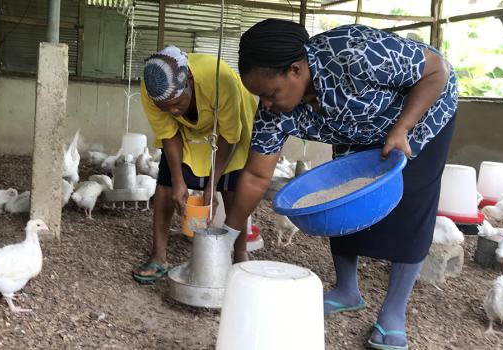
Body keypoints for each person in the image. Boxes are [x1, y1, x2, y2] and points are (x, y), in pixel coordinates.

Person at [223, 19, 458, 350]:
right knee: (340, 198)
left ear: (295, 69)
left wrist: (403, 126)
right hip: (359, 131)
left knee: (411, 204)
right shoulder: (273, 114)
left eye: (269, 93)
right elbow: (255, 176)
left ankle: (393, 313)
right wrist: (228, 237)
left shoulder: (354, 54)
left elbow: (436, 72)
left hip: (421, 117)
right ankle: (347, 290)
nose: (265, 104)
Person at [132, 46, 257, 283]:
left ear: (189, 78)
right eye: (165, 108)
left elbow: (230, 136)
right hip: (187, 132)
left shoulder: (220, 80)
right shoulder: (152, 91)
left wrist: (212, 184)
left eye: (178, 102)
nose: (173, 110)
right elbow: (168, 133)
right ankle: (159, 256)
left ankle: (240, 256)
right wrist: (179, 181)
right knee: (166, 185)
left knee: (234, 189)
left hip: (229, 128)